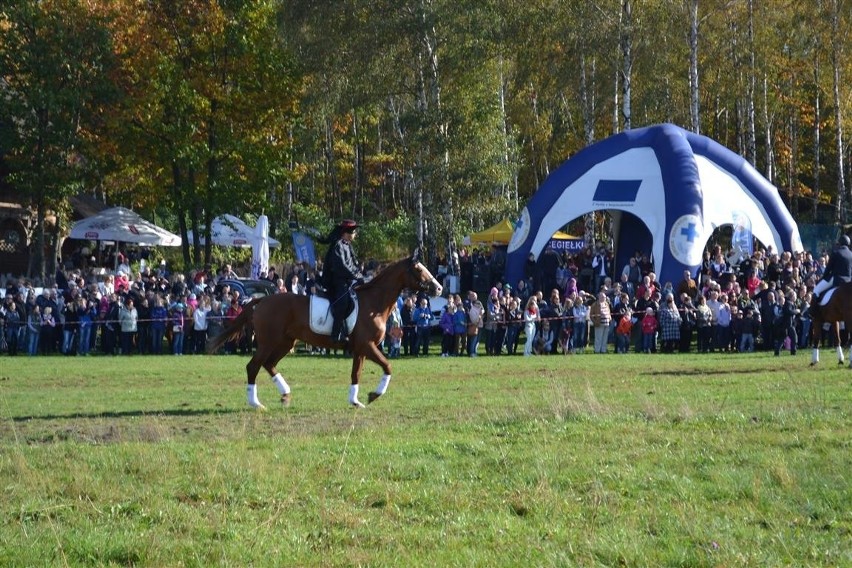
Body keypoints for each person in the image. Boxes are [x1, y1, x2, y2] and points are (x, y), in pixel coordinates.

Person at [321, 219, 365, 343]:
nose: (355, 234)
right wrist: (356, 276)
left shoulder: (348, 245)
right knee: (343, 303)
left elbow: (353, 264)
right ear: (347, 233)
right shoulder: (338, 245)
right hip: (337, 282)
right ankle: (336, 333)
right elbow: (342, 266)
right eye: (354, 232)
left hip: (348, 281)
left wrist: (360, 275)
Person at [811, 234, 852, 315]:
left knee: (816, 291)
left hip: (836, 279)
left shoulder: (836, 252)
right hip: (848, 281)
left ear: (839, 243)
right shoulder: (851, 254)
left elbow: (828, 269)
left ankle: (814, 313)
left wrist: (823, 278)